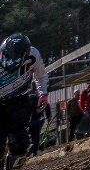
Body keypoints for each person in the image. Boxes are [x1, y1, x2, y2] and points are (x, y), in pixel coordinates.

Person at [0, 33, 46, 168]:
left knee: (20, 141)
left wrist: (43, 94)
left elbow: (41, 75)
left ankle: (15, 164)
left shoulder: (33, 55)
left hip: (20, 99)